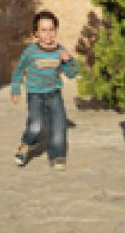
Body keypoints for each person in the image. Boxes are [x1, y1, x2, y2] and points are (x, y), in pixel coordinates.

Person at [11, 9, 78, 170]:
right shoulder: (30, 52)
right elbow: (18, 70)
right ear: (36, 33)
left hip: (54, 93)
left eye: (51, 30)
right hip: (35, 94)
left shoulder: (60, 51)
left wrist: (68, 61)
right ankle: (26, 144)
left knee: (59, 125)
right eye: (43, 30)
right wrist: (15, 90)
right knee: (36, 125)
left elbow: (71, 74)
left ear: (55, 31)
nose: (48, 34)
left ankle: (57, 156)